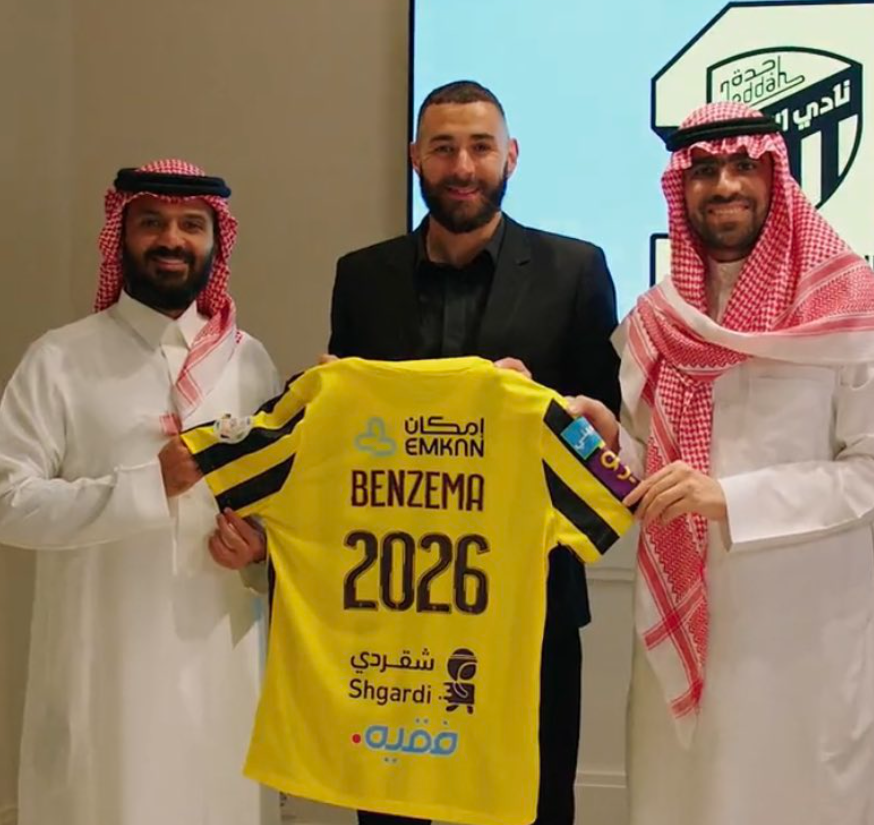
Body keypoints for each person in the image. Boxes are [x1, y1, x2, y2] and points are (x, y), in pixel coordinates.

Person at [327, 79, 621, 825]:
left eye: (480, 147)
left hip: (531, 598)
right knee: (391, 805)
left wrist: (548, 407)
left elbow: (607, 433)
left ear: (511, 156)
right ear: (415, 158)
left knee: (528, 803)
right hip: (394, 602)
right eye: (444, 148)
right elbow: (344, 435)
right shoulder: (361, 276)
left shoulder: (576, 270)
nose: (462, 166)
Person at [574, 102, 874, 825]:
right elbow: (653, 464)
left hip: (802, 638)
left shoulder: (849, 307)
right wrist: (610, 439)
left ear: (777, 175)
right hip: (682, 626)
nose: (725, 185)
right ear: (681, 187)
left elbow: (867, 470)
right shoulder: (657, 319)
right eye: (704, 170)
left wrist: (730, 498)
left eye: (744, 165)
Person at [0, 160, 282, 825]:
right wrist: (148, 486)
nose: (171, 239)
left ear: (216, 241)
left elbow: (280, 507)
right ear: (120, 236)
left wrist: (260, 546)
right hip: (102, 668)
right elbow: (9, 503)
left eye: (191, 225)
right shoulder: (60, 359)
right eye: (151, 222)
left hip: (220, 669)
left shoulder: (250, 361)